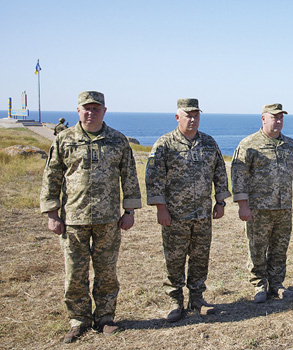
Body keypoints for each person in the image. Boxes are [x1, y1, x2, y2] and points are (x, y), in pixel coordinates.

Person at [40, 91, 142, 343]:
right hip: (74, 218)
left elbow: (129, 176)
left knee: (106, 271)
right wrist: (52, 213)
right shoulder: (64, 140)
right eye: (86, 108)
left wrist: (129, 211)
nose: (91, 112)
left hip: (108, 219)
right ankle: (79, 320)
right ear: (78, 111)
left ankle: (105, 317)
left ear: (104, 111)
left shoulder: (117, 140)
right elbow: (51, 176)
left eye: (96, 108)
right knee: (75, 272)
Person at [145, 98, 231, 322]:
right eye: (188, 115)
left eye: (196, 115)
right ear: (177, 117)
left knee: (200, 257)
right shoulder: (164, 144)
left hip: (202, 214)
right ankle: (175, 300)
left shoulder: (209, 143)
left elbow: (220, 173)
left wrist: (220, 202)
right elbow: (154, 179)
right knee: (174, 259)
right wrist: (161, 209)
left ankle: (197, 298)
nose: (192, 119)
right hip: (175, 216)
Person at [231, 103, 293, 303]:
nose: (278, 121)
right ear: (263, 119)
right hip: (259, 209)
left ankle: (277, 284)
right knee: (257, 247)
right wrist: (243, 205)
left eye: (281, 118)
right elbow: (238, 177)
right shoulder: (249, 144)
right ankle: (259, 285)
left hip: (283, 208)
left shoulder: (290, 145)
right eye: (274, 117)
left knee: (279, 247)